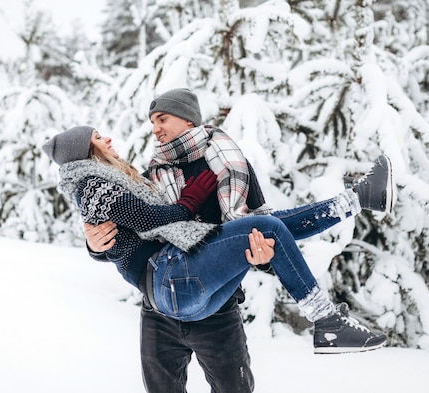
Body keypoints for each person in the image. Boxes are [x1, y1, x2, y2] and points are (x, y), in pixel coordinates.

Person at [84, 88, 393, 393]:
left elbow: (268, 229)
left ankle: (357, 200)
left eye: (162, 119)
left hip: (217, 309)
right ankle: (357, 200)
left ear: (188, 119)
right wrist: (96, 248)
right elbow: (134, 231)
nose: (155, 130)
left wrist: (263, 260)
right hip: (159, 310)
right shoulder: (154, 174)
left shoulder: (230, 164)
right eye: (152, 122)